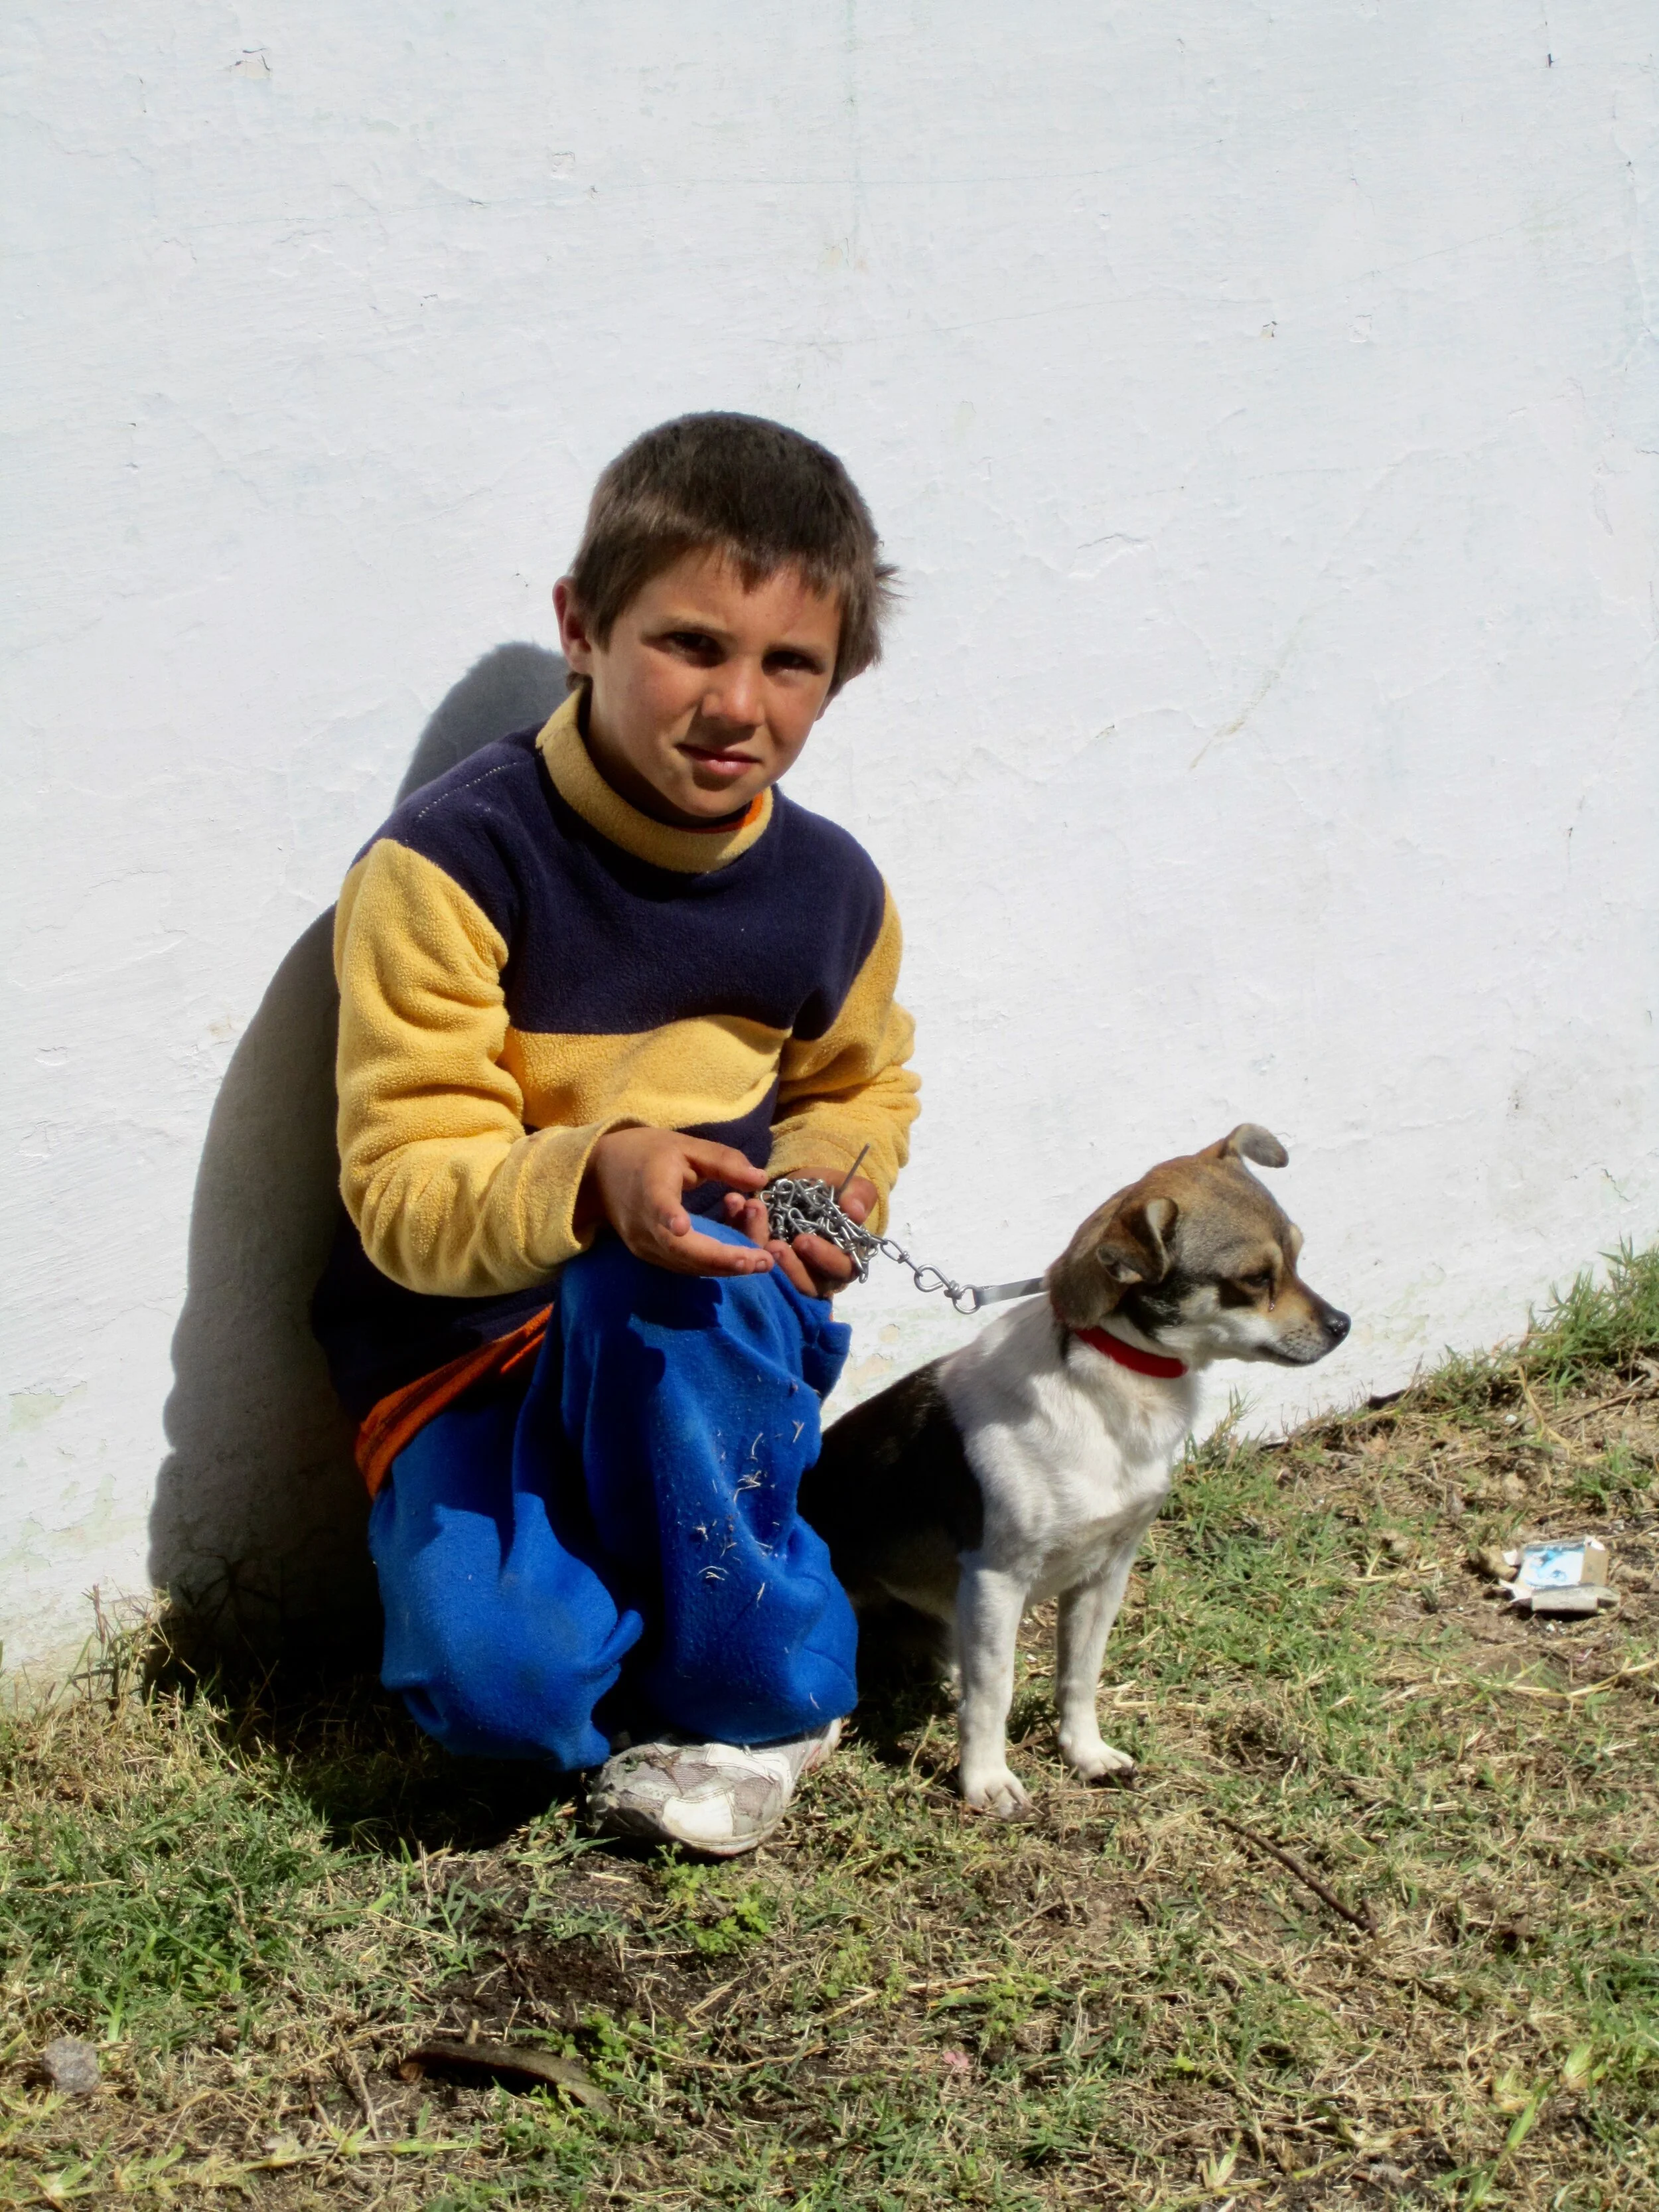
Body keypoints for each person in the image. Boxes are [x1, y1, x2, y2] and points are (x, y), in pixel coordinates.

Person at [312, 413, 920, 1854]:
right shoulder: (446, 868)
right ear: (581, 626)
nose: (737, 704)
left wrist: (823, 1196)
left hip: (689, 1327)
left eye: (791, 664)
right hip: (468, 1348)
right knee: (504, 1702)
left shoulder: (831, 890)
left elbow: (857, 1089)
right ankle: (636, 1582)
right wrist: (593, 1173)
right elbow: (399, 1187)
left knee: (669, 1276)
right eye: (691, 644)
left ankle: (759, 1696)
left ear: (839, 680)